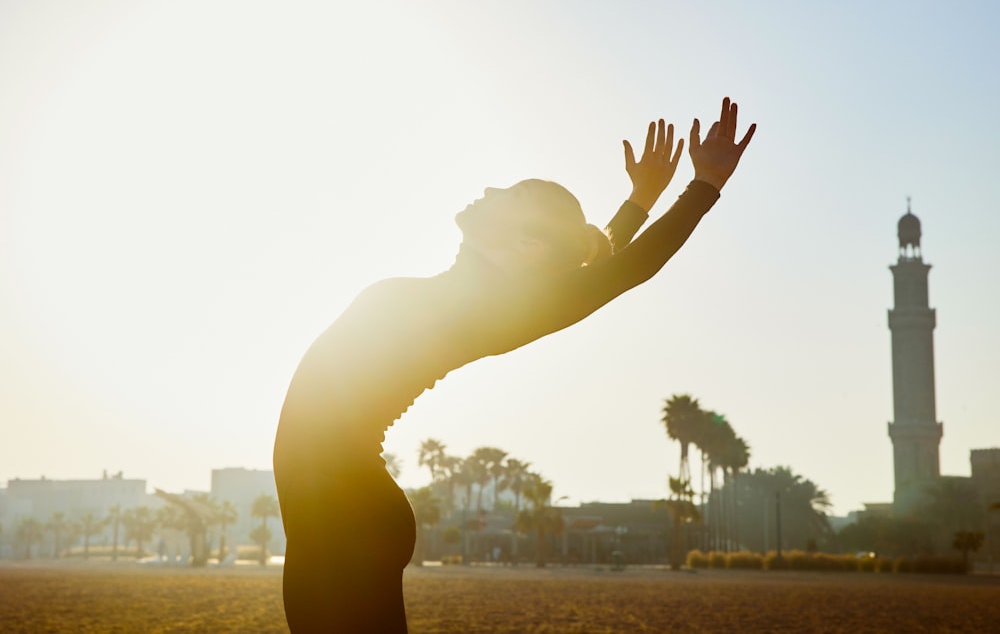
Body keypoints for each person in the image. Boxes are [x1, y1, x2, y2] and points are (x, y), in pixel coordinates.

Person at [274, 97, 755, 632]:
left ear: (527, 245)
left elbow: (623, 272)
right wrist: (639, 199)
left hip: (342, 514)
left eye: (512, 194)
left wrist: (704, 185)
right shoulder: (475, 294)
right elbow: (594, 260)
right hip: (334, 511)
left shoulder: (496, 311)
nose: (491, 191)